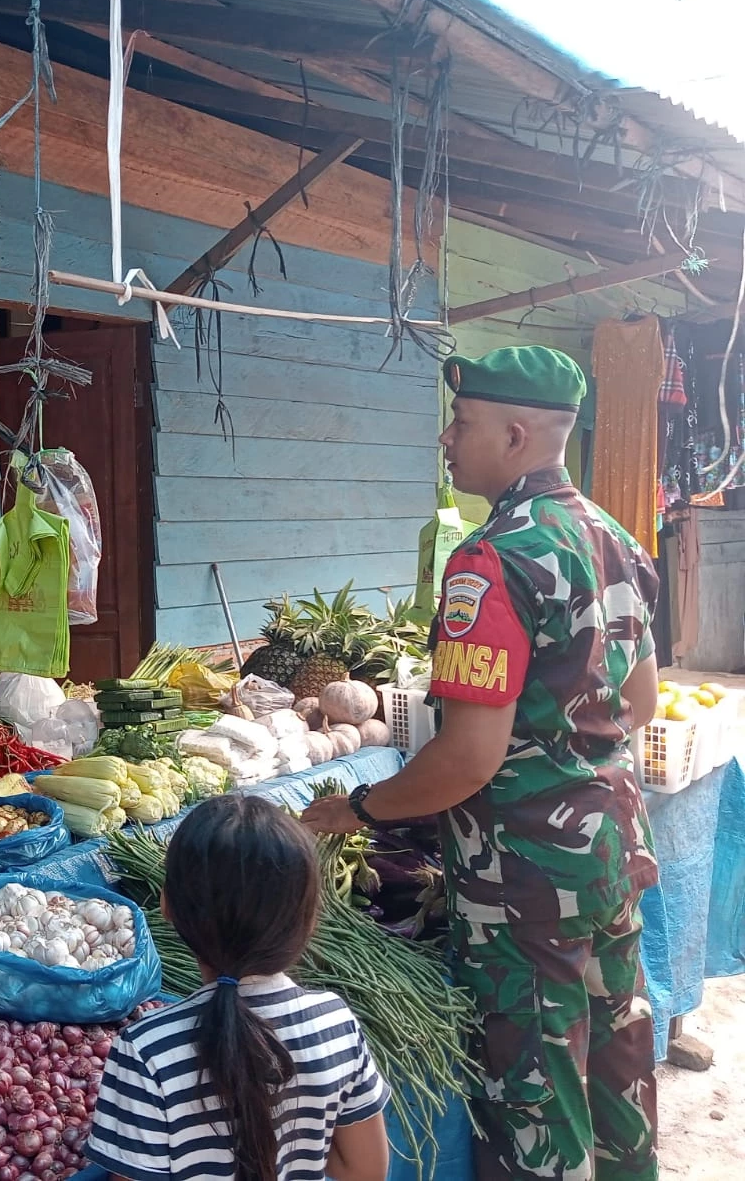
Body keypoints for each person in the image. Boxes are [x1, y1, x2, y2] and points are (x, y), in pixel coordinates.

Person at [300, 345, 661, 1180]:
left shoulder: (491, 561)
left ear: (513, 433)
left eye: (459, 424)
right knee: (616, 1071)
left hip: (525, 882)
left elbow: (466, 759)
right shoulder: (614, 539)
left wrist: (356, 810)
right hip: (610, 854)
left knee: (538, 1103)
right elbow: (637, 705)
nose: (444, 439)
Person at [87, 795, 391, 1181]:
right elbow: (366, 1173)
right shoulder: (335, 1023)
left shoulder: (147, 1050)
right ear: (310, 919)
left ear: (167, 908)